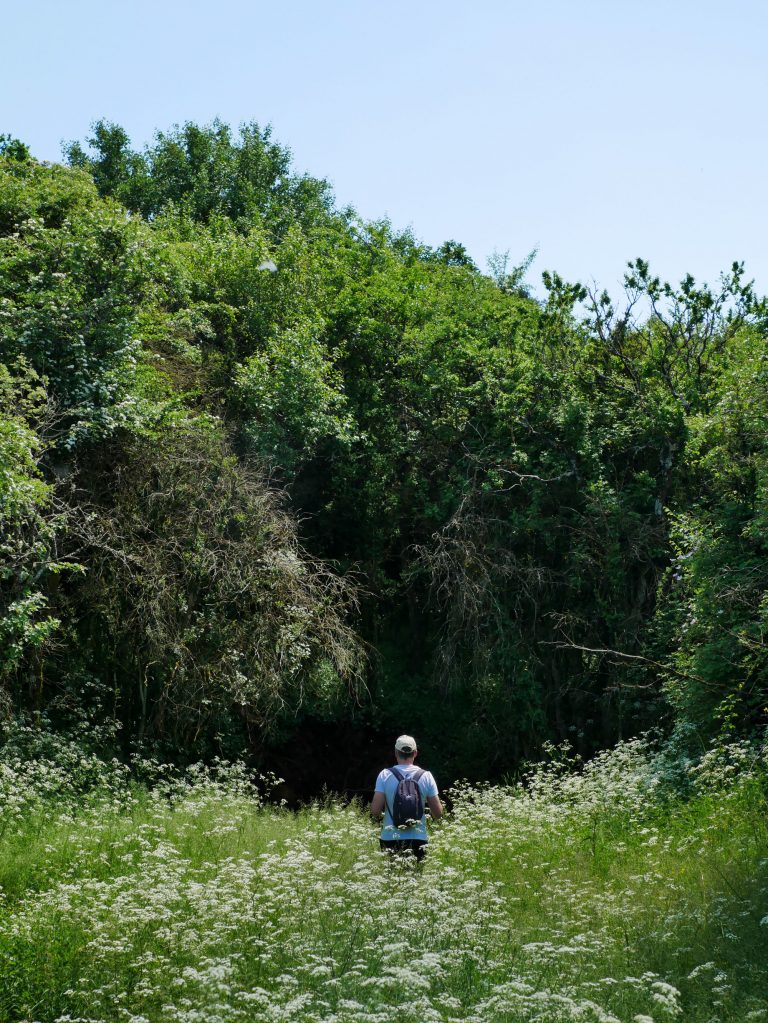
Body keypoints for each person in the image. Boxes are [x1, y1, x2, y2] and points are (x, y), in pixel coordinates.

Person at [371, 734, 442, 861]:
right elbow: (438, 813)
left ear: (395, 753)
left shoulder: (384, 775)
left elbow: (375, 811)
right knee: (416, 874)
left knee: (391, 874)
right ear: (415, 753)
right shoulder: (426, 776)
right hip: (418, 839)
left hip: (390, 838)